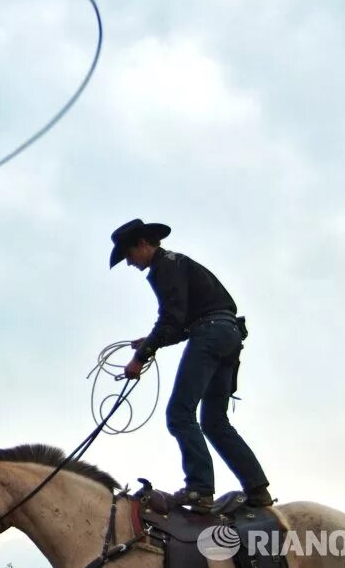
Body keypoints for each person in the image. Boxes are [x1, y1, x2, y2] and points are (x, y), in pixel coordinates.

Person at [109, 218, 272, 513]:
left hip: (209, 333)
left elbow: (172, 319)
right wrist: (150, 341)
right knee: (213, 421)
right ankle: (257, 489)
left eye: (129, 255)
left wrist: (140, 357)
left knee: (179, 414)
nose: (130, 263)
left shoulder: (164, 268)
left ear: (143, 244)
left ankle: (199, 489)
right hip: (227, 334)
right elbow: (181, 325)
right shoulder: (178, 262)